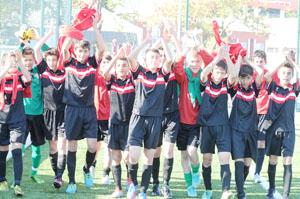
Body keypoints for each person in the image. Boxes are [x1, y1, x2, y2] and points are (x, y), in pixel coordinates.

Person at [126, 24, 172, 199]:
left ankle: (143, 191)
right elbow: (131, 57)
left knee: (149, 158)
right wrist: (145, 42)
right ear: (145, 60)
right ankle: (133, 185)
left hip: (155, 120)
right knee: (134, 156)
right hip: (138, 118)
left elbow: (169, 59)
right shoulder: (140, 73)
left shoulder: (163, 74)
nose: (155, 60)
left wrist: (164, 40)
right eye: (151, 57)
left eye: (157, 58)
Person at [61, 13, 105, 194]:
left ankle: (87, 169)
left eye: (85, 51)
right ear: (75, 52)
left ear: (88, 53)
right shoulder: (69, 63)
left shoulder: (92, 65)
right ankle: (71, 181)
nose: (82, 53)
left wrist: (95, 27)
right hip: (71, 109)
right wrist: (76, 27)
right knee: (72, 146)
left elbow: (102, 49)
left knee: (93, 146)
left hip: (88, 110)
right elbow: (64, 48)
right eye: (79, 51)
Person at [198, 44, 237, 199]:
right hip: (207, 126)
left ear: (224, 74)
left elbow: (233, 75)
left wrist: (226, 56)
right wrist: (216, 59)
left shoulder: (225, 85)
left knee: (224, 159)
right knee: (206, 160)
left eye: (221, 72)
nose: (218, 75)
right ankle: (208, 189)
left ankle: (225, 191)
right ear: (213, 71)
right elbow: (203, 73)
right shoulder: (205, 83)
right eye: (216, 71)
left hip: (222, 126)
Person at [263, 51, 300, 199]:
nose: (285, 75)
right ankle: (271, 189)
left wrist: (292, 62)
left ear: (291, 75)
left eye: (288, 73)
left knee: (288, 160)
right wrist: (281, 62)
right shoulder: (273, 87)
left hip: (289, 131)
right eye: (283, 73)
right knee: (273, 160)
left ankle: (286, 195)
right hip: (273, 131)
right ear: (279, 74)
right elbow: (266, 76)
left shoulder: (293, 90)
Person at [34, 21, 67, 189]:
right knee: (53, 146)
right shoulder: (43, 70)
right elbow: (37, 49)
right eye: (50, 59)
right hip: (48, 113)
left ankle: (59, 177)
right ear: (46, 60)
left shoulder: (63, 71)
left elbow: (66, 49)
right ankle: (57, 174)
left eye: (54, 59)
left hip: (63, 113)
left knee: (62, 145)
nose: (52, 62)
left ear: (58, 60)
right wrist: (50, 32)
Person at [151, 21, 181, 199]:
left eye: (163, 55)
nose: (161, 58)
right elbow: (151, 54)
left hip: (171, 115)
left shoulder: (171, 71)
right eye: (159, 55)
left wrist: (163, 37)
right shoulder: (152, 71)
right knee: (156, 151)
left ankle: (165, 185)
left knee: (169, 151)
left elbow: (172, 57)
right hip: (155, 116)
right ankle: (155, 183)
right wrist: (159, 37)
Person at [228, 56, 263, 199]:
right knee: (239, 161)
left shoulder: (254, 89)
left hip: (251, 130)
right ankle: (241, 193)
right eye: (242, 78)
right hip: (236, 130)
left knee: (248, 162)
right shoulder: (235, 89)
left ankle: (239, 184)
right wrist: (239, 61)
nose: (245, 81)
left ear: (251, 78)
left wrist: (247, 61)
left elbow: (260, 73)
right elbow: (234, 75)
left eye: (248, 78)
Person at [102, 44, 134, 198]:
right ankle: (118, 189)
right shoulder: (112, 80)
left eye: (124, 65)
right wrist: (116, 56)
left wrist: (127, 55)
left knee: (128, 157)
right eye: (119, 66)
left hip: (129, 125)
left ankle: (130, 181)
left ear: (128, 67)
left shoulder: (132, 80)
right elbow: (105, 72)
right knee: (116, 157)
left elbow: (135, 67)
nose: (121, 68)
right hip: (113, 123)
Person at [0, 50, 31, 196]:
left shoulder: (19, 78)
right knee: (2, 152)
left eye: (15, 61)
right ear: (3, 63)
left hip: (18, 120)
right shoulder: (2, 78)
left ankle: (17, 185)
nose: (13, 63)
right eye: (10, 61)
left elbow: (28, 78)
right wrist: (6, 66)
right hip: (2, 120)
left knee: (17, 151)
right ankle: (2, 180)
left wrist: (19, 61)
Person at [93, 53, 112, 184]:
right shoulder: (94, 75)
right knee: (94, 147)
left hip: (108, 118)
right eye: (103, 62)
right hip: (94, 117)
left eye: (108, 63)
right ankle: (91, 168)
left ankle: (106, 174)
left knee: (108, 148)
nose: (105, 65)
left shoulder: (111, 77)